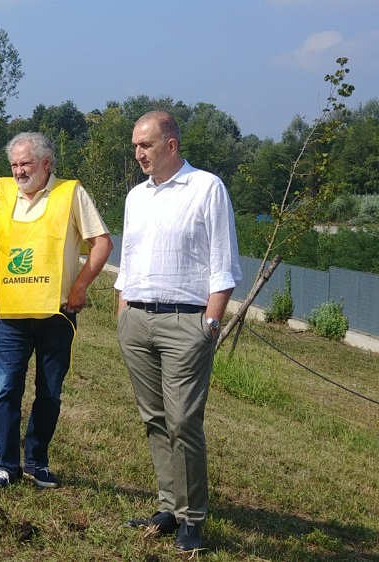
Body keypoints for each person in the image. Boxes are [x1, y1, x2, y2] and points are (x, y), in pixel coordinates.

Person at [115, 111, 242, 552]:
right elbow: (128, 257)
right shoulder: (136, 197)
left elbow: (223, 262)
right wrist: (122, 308)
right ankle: (169, 506)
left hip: (187, 321)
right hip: (137, 319)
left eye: (145, 145)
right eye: (135, 146)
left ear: (170, 145)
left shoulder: (206, 188)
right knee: (154, 418)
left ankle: (193, 518)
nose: (138, 154)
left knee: (184, 420)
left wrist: (212, 319)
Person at [0, 132, 112, 490]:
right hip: (11, 317)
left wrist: (80, 287)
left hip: (56, 316)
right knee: (7, 389)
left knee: (49, 392)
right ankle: (6, 465)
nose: (20, 171)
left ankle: (37, 462)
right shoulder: (3, 197)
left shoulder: (71, 194)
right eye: (15, 165)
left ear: (46, 163)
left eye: (26, 163)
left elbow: (102, 242)